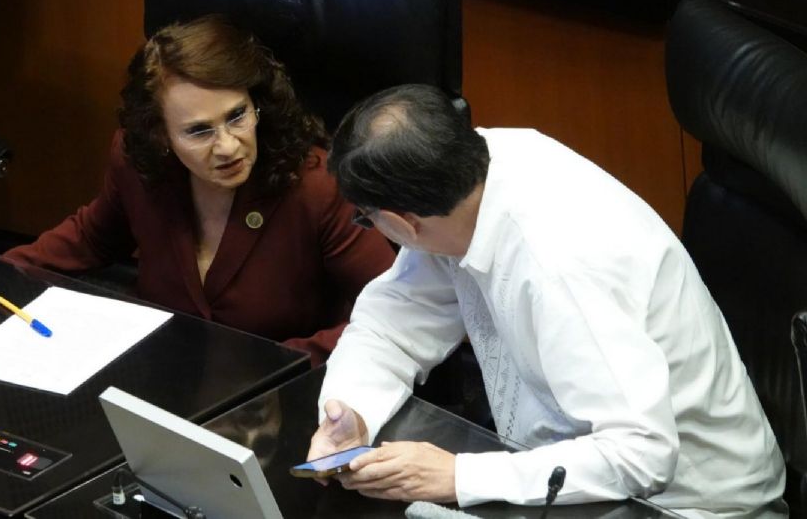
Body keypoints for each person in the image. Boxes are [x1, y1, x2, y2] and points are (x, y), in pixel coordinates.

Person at [306, 84, 786, 517]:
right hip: (568, 478)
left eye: (366, 219)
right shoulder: (466, 174)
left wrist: (458, 476)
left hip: (688, 506)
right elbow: (394, 323)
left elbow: (642, 453)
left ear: (402, 223)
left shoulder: (558, 265)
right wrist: (349, 411)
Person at [3, 15, 394, 366]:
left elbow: (391, 314)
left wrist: (283, 364)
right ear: (161, 135)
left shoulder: (316, 187)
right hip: (164, 372)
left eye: (237, 116)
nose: (227, 146)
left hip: (279, 398)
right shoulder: (140, 163)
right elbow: (91, 238)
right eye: (198, 130)